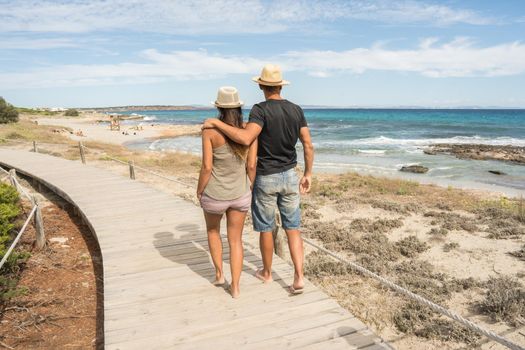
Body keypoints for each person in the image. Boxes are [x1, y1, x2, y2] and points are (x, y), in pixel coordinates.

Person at [203, 64, 314, 294]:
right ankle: (299, 277)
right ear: (280, 86)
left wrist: (215, 123)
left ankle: (266, 272)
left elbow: (245, 138)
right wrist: (308, 173)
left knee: (266, 228)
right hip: (290, 175)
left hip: (266, 176)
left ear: (262, 86)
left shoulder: (260, 110)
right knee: (293, 228)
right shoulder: (296, 109)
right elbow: (308, 144)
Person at [197, 86, 257, 299]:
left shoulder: (209, 131)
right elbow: (252, 166)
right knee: (236, 240)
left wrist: (199, 190)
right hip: (240, 194)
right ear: (239, 107)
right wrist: (250, 186)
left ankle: (220, 274)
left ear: (219, 108)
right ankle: (236, 287)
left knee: (213, 232)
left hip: (214, 194)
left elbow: (206, 167)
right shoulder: (249, 130)